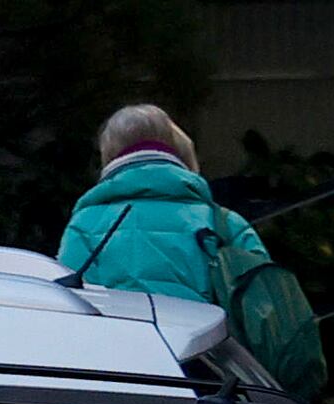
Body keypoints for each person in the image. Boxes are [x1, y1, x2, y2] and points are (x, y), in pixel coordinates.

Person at [55, 105, 270, 309]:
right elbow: (263, 303)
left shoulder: (85, 223)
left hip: (117, 344)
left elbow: (71, 306)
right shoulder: (224, 222)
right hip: (203, 346)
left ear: (109, 154)